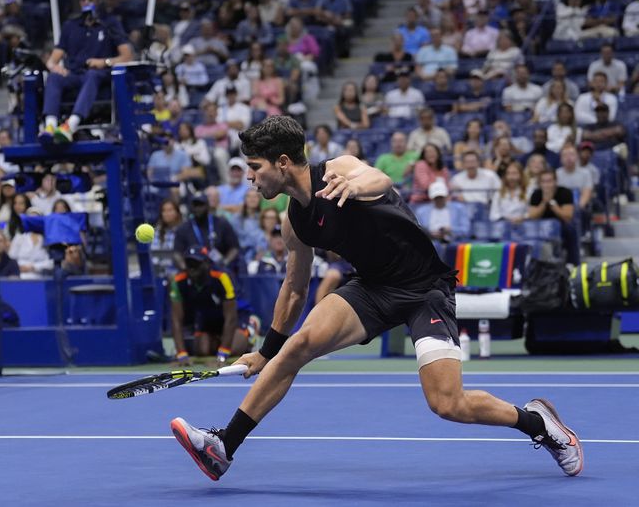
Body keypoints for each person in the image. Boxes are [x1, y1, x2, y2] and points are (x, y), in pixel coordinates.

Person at [170, 115, 582, 480]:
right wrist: (266, 352)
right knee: (297, 347)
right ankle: (225, 446)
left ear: (281, 162)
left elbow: (379, 180)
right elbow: (295, 288)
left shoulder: (339, 170)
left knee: (447, 403)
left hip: (424, 290)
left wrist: (353, 183)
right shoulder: (293, 222)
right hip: (371, 289)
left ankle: (538, 424)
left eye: (255, 167)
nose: (249, 177)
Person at [39, 0, 133, 144]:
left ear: (97, 0)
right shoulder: (70, 25)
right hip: (74, 74)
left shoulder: (110, 23)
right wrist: (54, 67)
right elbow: (52, 59)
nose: (86, 3)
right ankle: (50, 125)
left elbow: (127, 56)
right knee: (54, 77)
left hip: (100, 76)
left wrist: (105, 62)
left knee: (92, 74)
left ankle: (71, 125)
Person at [170, 246, 256, 366]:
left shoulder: (222, 277)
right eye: (189, 264)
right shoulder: (179, 281)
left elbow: (231, 318)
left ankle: (251, 328)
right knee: (202, 350)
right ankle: (219, 339)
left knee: (235, 349)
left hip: (235, 315)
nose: (192, 269)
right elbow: (176, 319)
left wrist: (222, 355)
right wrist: (181, 354)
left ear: (206, 263)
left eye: (196, 263)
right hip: (207, 318)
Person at [527, 169, 579, 265]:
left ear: (555, 181)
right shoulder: (536, 194)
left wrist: (553, 205)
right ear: (540, 183)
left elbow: (568, 216)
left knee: (571, 229)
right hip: (540, 226)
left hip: (561, 225)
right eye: (544, 181)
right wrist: (544, 202)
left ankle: (573, 263)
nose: (547, 185)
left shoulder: (565, 192)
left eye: (549, 181)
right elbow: (532, 216)